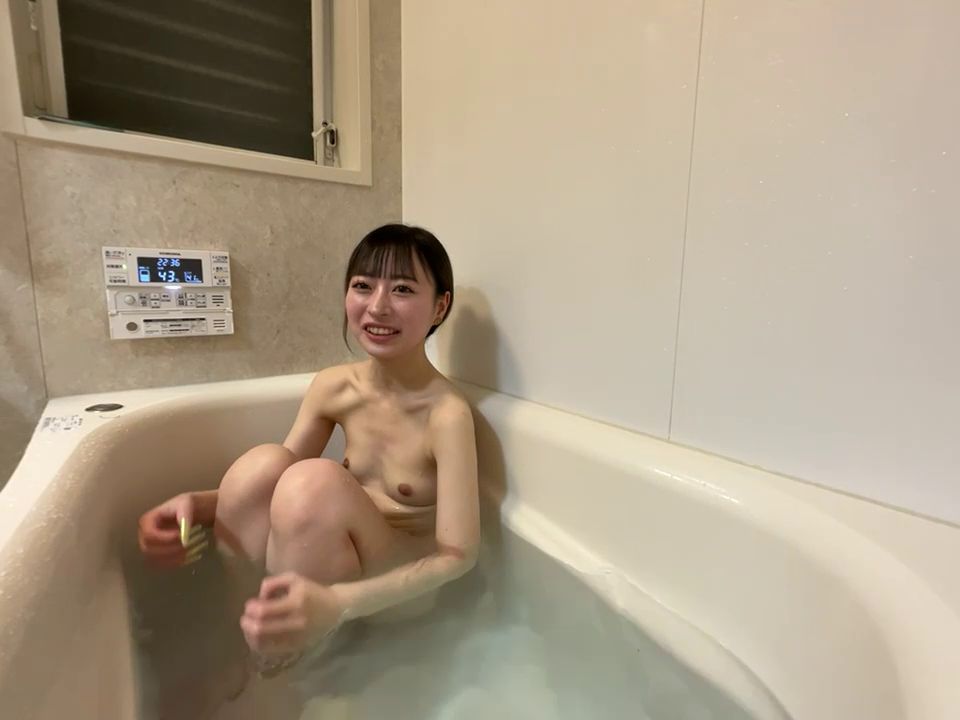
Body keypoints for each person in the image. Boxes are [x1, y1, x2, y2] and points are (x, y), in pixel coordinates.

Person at [137, 223, 480, 676]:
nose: (377, 306)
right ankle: (252, 629)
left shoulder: (446, 414)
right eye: (363, 286)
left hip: (400, 591)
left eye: (402, 289)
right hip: (331, 567)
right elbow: (270, 490)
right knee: (264, 465)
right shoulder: (334, 387)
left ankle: (288, 672)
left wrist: (337, 602)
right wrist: (195, 506)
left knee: (315, 480)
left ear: (440, 306)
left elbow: (458, 557)